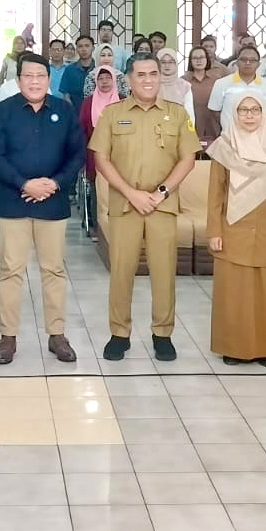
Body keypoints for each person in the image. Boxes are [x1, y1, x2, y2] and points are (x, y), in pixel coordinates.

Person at [89, 53, 198, 362]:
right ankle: (119, 334)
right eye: (141, 74)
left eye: (153, 73)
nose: (148, 80)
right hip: (125, 206)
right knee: (121, 272)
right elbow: (101, 159)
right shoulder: (113, 114)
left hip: (162, 206)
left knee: (163, 272)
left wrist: (161, 193)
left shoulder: (177, 114)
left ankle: (162, 334)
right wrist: (131, 193)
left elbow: (188, 159)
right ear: (128, 79)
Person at [0, 53, 84, 365]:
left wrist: (54, 183)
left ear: (48, 79)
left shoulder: (64, 111)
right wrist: (24, 184)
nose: (35, 81)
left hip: (53, 201)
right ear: (18, 80)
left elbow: (77, 154)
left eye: (41, 76)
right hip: (13, 200)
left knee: (53, 270)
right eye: (28, 76)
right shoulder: (2, 111)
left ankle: (57, 335)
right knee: (11, 270)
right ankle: (8, 337)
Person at [206, 90, 266, 366]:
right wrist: (215, 232)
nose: (249, 116)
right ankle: (233, 348)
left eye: (255, 110)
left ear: (264, 113)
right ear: (234, 114)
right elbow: (215, 195)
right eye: (243, 110)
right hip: (232, 231)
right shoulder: (224, 147)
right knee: (234, 295)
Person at [209, 45, 266, 129]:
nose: (248, 63)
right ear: (237, 62)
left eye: (252, 60)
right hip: (230, 135)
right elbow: (215, 111)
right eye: (243, 59)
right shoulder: (221, 83)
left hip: (259, 135)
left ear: (258, 64)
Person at [184, 44, 228, 141]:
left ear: (207, 59)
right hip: (191, 125)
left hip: (213, 126)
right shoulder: (184, 81)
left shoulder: (216, 80)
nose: (198, 60)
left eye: (201, 57)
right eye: (195, 58)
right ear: (190, 61)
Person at [61, 34, 96, 111]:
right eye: (80, 46)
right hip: (75, 113)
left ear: (93, 48)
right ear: (76, 49)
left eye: (87, 46)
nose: (84, 49)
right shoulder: (69, 70)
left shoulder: (99, 69)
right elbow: (66, 95)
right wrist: (72, 112)